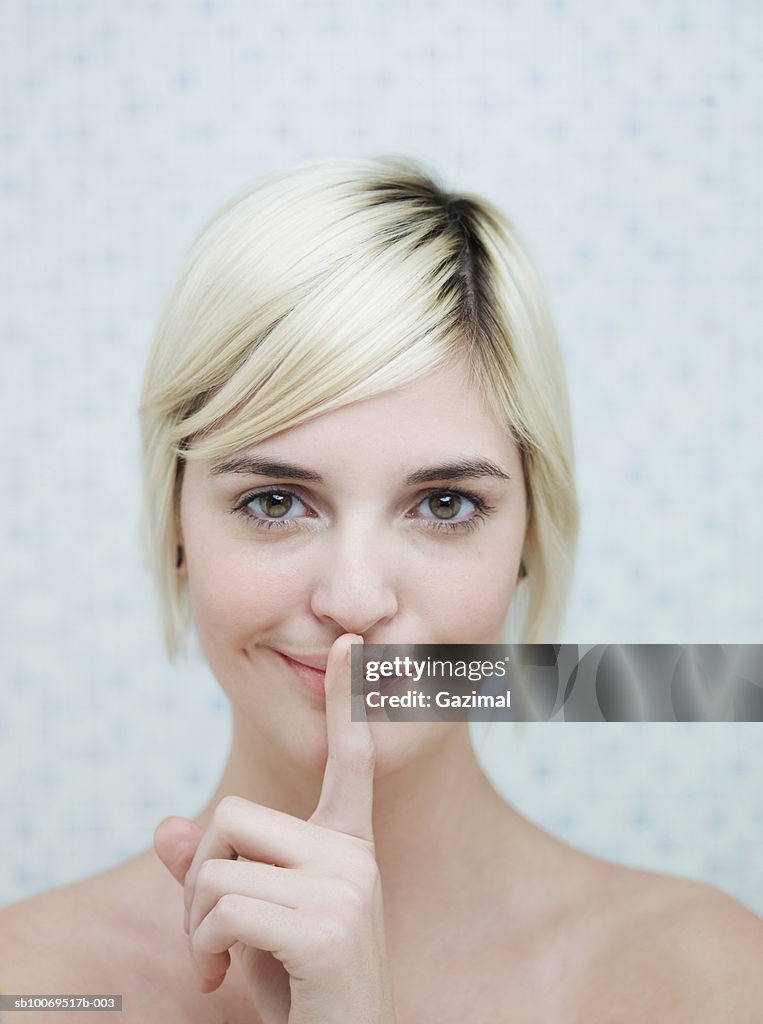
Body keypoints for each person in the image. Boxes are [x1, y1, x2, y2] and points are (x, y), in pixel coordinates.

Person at [1, 156, 761, 1023]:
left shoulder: (710, 983)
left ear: (525, 538)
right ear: (177, 526)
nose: (354, 599)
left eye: (444, 504)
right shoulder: (30, 987)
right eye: (274, 501)